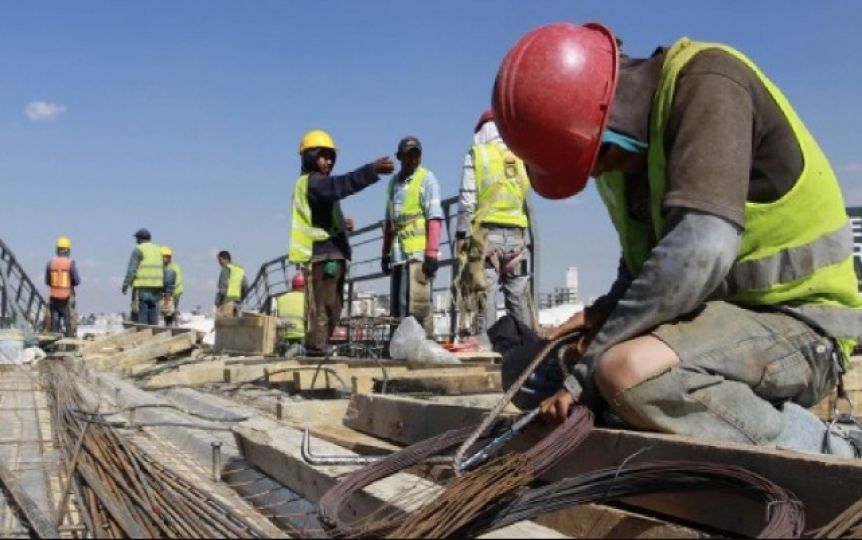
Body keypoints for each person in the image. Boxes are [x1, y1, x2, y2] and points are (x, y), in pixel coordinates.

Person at [493, 23, 862, 455]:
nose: (597, 173)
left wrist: (587, 370)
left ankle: (830, 449)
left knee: (625, 373)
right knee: (526, 373)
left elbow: (697, 252)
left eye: (596, 160)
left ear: (606, 122)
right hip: (709, 321)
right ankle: (657, 410)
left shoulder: (710, 85)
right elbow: (641, 266)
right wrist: (604, 312)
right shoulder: (624, 154)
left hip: (799, 326)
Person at [287, 129, 394, 356]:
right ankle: (316, 349)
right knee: (323, 307)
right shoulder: (315, 182)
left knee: (332, 306)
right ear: (310, 156)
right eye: (322, 156)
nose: (328, 162)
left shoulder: (312, 184)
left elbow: (317, 216)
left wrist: (341, 225)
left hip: (328, 252)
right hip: (322, 254)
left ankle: (318, 346)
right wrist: (371, 171)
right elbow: (340, 185)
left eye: (330, 157)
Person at [455, 110, 534, 337]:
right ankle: (527, 349)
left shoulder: (477, 155)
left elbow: (467, 199)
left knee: (484, 298)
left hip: (487, 238)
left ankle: (486, 348)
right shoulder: (520, 156)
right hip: (518, 239)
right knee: (519, 301)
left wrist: (461, 234)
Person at [381, 136, 443, 337]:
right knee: (398, 309)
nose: (413, 160)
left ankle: (420, 345)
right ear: (399, 157)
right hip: (398, 255)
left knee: (418, 307)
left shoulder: (427, 179)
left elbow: (434, 217)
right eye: (408, 156)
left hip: (418, 257)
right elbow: (389, 221)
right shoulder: (393, 184)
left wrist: (432, 253)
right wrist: (385, 253)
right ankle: (398, 346)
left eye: (416, 155)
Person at [122, 229, 164, 326]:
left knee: (143, 314)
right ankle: (153, 332)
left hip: (143, 286)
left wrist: (125, 284)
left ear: (140, 238)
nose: (136, 241)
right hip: (157, 286)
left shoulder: (139, 249)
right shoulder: (158, 250)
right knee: (153, 313)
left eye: (137, 238)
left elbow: (131, 269)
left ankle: (144, 333)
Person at [45, 236, 80, 337]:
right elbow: (77, 280)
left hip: (53, 296)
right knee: (69, 319)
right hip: (66, 297)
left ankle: (54, 338)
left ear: (57, 249)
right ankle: (70, 337)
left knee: (54, 319)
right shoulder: (70, 263)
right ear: (68, 250)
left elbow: (47, 281)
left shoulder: (50, 263)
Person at [276, 273, 306, 356]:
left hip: (284, 335)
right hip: (301, 336)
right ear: (303, 286)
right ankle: (297, 349)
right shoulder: (307, 299)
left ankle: (286, 351)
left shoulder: (281, 299)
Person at [215, 251, 247, 318]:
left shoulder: (226, 268)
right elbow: (245, 286)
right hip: (237, 302)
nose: (219, 263)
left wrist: (218, 302)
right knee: (235, 323)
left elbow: (223, 287)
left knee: (224, 323)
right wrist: (240, 298)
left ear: (226, 259)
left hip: (227, 302)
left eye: (220, 260)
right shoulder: (239, 269)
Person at [161, 246, 183, 326]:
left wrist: (167, 297)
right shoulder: (176, 266)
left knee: (168, 312)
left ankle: (169, 326)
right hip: (176, 292)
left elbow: (169, 284)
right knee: (172, 311)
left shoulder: (169, 268)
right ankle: (174, 325)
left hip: (171, 293)